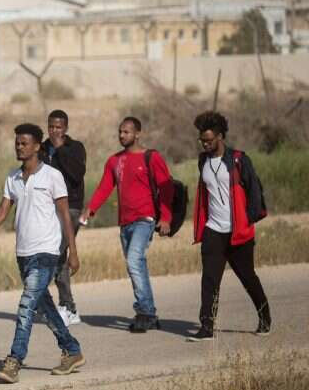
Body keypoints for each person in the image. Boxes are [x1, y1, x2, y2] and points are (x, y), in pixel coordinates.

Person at [0, 123, 84, 384]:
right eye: (17, 142)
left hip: (47, 251)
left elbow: (65, 215)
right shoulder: (12, 178)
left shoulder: (52, 176)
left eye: (24, 143)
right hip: (24, 253)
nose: (19, 146)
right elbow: (1, 213)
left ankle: (14, 361)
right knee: (45, 306)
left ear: (37, 146)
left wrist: (72, 252)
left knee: (27, 304)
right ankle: (72, 351)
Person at [81, 116, 174, 333]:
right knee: (136, 266)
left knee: (134, 260)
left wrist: (166, 217)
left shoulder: (152, 157)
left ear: (138, 133)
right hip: (125, 223)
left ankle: (144, 312)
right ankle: (149, 312)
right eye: (120, 132)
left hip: (146, 219)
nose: (122, 136)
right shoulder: (114, 161)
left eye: (127, 132)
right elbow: (105, 187)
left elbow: (167, 188)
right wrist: (90, 209)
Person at [188, 111, 271, 341]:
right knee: (210, 280)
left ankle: (265, 317)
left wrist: (250, 218)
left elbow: (254, 187)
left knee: (247, 277)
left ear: (221, 136)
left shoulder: (238, 159)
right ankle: (207, 327)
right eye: (202, 140)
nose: (205, 144)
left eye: (209, 140)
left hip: (238, 231)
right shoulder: (202, 160)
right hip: (213, 230)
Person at [41, 109, 86, 326]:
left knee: (56, 251)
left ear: (65, 128)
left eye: (58, 127)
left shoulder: (75, 148)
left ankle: (67, 306)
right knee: (53, 253)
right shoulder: (41, 148)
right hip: (46, 208)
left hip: (71, 208)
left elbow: (77, 174)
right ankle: (65, 305)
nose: (54, 131)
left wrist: (60, 150)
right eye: (51, 127)